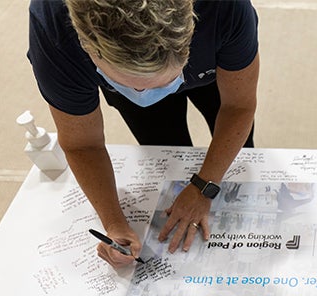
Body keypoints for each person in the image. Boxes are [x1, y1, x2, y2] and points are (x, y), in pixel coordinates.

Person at [28, 0, 260, 267]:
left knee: (239, 157)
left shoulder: (224, 8)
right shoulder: (54, 29)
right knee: (163, 147)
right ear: (87, 46)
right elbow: (82, 143)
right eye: (131, 85)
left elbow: (239, 106)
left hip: (211, 59)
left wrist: (205, 185)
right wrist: (114, 224)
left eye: (162, 83)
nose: (146, 95)